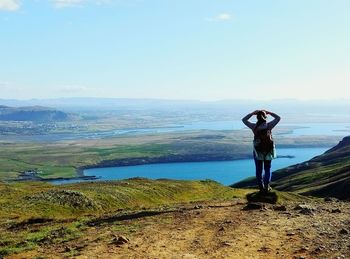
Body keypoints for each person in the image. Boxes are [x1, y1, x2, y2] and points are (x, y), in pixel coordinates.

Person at [242, 110, 281, 193]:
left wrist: (252, 113)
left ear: (257, 117)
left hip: (257, 151)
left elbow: (244, 120)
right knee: (267, 168)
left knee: (259, 169)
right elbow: (278, 118)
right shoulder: (269, 125)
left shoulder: (254, 126)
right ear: (265, 116)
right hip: (268, 150)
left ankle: (261, 187)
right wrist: (269, 112)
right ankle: (267, 186)